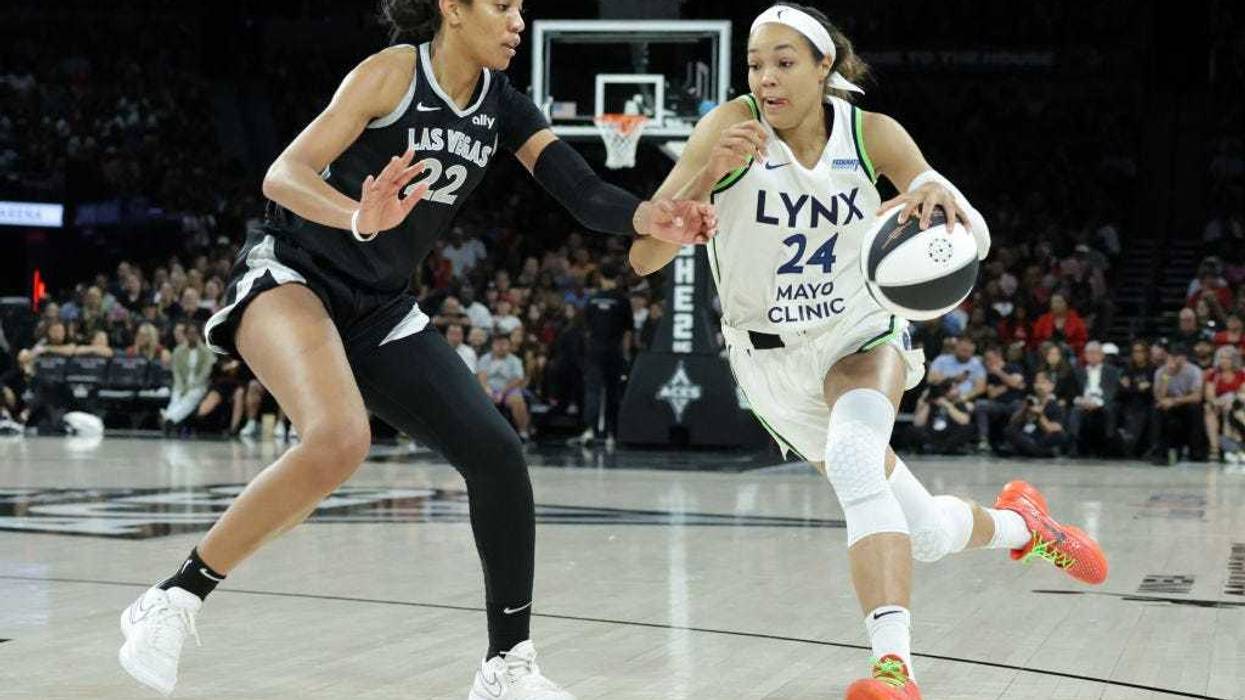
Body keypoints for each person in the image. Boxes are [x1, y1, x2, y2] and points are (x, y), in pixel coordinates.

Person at [118, 0, 715, 697]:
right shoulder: (392, 72)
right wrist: (355, 214)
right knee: (339, 439)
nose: (518, 19)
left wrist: (650, 215)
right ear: (452, 9)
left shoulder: (505, 106)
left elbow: (579, 193)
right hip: (293, 275)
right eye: (501, 5)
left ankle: (506, 667)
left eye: (521, 6)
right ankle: (173, 598)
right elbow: (283, 173)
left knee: (496, 454)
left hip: (380, 307)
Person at [626, 5, 1106, 697]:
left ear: (825, 67)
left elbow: (965, 228)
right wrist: (702, 183)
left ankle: (893, 669)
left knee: (857, 461)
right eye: (756, 63)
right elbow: (644, 256)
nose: (766, 77)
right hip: (767, 364)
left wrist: (933, 193)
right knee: (928, 536)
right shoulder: (725, 131)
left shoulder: (870, 132)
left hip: (858, 333)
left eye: (784, 62)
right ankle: (1021, 526)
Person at [576, 263, 632, 445]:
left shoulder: (592, 300)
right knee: (613, 391)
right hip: (614, 351)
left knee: (592, 390)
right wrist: (626, 354)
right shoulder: (622, 300)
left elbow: (586, 330)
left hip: (594, 351)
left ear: (600, 277)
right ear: (617, 279)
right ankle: (612, 433)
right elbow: (627, 332)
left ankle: (590, 430)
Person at [1151, 343, 1208, 464]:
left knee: (1195, 408)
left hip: (1185, 404)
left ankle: (1196, 451)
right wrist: (1167, 376)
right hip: (1169, 405)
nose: (1174, 360)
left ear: (1184, 358)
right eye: (1172, 357)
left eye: (1177, 357)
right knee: (1158, 410)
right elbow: (1159, 397)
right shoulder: (1161, 372)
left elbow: (1197, 396)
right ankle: (1161, 452)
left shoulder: (1194, 371)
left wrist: (1175, 401)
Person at [1069, 340, 1121, 457]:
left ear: (1102, 355)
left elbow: (1111, 392)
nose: (1092, 355)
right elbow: (1072, 393)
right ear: (1085, 355)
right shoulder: (1078, 371)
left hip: (1102, 403)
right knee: (1075, 411)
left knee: (1109, 409)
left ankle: (1106, 448)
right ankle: (1075, 446)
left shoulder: (1111, 371)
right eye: (1089, 353)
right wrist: (1081, 401)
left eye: (1095, 353)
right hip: (1084, 402)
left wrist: (1097, 403)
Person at [162, 324, 215, 431]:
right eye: (189, 333)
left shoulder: (206, 352)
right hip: (181, 383)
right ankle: (171, 420)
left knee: (191, 396)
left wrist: (192, 385)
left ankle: (168, 417)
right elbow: (176, 372)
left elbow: (205, 372)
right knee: (176, 396)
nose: (192, 336)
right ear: (185, 335)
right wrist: (182, 386)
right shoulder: (178, 351)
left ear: (199, 335)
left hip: (199, 384)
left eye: (194, 333)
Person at [1005, 371, 1069, 458]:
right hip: (1026, 437)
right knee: (1009, 430)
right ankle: (1037, 452)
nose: (1039, 386)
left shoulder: (1056, 406)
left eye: (1043, 382)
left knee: (1059, 435)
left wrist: (1040, 415)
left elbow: (1053, 428)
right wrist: (1024, 409)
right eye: (1037, 382)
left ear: (1051, 386)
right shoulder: (1030, 401)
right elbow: (1013, 422)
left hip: (1041, 438)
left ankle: (1030, 451)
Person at [973, 346, 1026, 451]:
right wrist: (1009, 385)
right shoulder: (989, 375)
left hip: (1014, 402)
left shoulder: (1013, 367)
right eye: (985, 360)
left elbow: (1015, 382)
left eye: (989, 359)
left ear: (998, 357)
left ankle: (1012, 441)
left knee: (1020, 407)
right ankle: (983, 440)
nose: (987, 362)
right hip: (997, 404)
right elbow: (992, 394)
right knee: (980, 404)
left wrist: (999, 372)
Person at [477, 334, 530, 440]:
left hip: (509, 389)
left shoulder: (515, 360)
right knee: (480, 400)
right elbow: (482, 377)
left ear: (509, 346)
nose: (501, 347)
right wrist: (489, 391)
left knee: (518, 401)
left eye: (504, 344)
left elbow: (517, 379)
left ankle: (523, 431)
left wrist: (502, 392)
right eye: (497, 344)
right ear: (492, 345)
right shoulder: (485, 359)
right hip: (488, 389)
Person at [910, 380, 976, 454]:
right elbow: (918, 423)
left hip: (950, 434)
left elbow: (965, 421)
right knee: (912, 429)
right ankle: (932, 447)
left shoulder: (958, 403)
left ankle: (943, 448)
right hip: (932, 433)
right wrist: (926, 402)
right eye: (954, 388)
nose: (958, 390)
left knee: (969, 428)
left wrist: (948, 406)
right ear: (945, 391)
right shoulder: (931, 403)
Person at [1202, 344, 1243, 461]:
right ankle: (1214, 448)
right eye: (1221, 358)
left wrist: (1230, 399)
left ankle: (1233, 447)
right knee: (1209, 409)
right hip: (1219, 403)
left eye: (1227, 358)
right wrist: (1217, 402)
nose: (1224, 361)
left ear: (1234, 360)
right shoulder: (1213, 375)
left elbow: (1243, 392)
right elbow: (1209, 395)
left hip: (1237, 403)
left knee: (1232, 408)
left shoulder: (1241, 374)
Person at [1117, 340, 1156, 458]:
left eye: (1141, 351)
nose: (1138, 354)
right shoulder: (1127, 369)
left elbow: (1152, 391)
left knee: (1143, 410)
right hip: (1129, 402)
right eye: (1135, 351)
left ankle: (1140, 447)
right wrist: (1138, 388)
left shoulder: (1153, 369)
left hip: (1147, 403)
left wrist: (1131, 387)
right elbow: (1122, 390)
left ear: (1147, 353)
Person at [927, 336, 986, 403]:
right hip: (939, 397)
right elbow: (930, 378)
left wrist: (962, 398)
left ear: (973, 350)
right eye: (963, 350)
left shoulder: (977, 364)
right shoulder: (942, 359)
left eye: (968, 351)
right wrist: (953, 378)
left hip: (964, 400)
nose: (965, 353)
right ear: (956, 347)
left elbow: (980, 388)